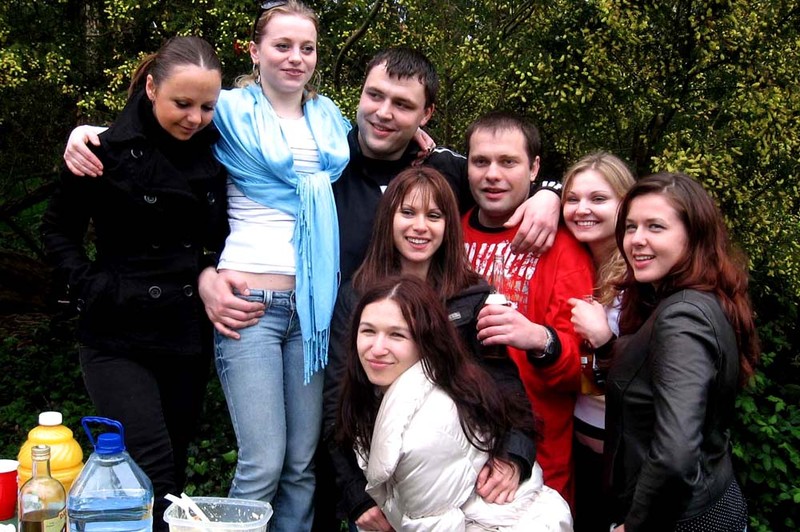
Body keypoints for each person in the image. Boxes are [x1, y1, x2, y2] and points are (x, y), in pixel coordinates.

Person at [41, 36, 227, 531]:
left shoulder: (221, 150)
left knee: (173, 464)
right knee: (152, 465)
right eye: (182, 104)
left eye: (207, 106)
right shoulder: (102, 150)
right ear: (150, 87)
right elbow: (57, 230)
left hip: (185, 334)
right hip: (116, 332)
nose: (195, 118)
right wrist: (89, 286)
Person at [324, 166, 537, 530]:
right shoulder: (357, 297)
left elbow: (507, 391)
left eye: (434, 216)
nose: (420, 226)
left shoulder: (473, 297)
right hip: (380, 479)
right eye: (408, 212)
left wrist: (514, 457)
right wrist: (356, 497)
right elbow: (336, 402)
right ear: (388, 219)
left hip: (462, 477)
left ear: (448, 225)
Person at [337, 276, 573, 531]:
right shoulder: (406, 387)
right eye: (368, 331)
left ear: (425, 342)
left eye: (397, 335)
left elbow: (434, 526)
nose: (377, 348)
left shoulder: (425, 430)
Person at [605, 172, 758, 531]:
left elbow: (675, 455)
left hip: (685, 521)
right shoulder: (699, 300)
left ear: (694, 235)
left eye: (655, 227)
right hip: (712, 503)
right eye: (630, 227)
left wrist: (636, 525)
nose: (637, 240)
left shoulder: (682, 317)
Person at [461, 111, 595, 510]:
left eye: (508, 162)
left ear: (534, 168)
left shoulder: (564, 248)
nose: (492, 175)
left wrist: (541, 339)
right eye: (481, 161)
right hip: (456, 458)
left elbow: (586, 370)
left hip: (538, 465)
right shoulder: (446, 234)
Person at [560, 152, 635, 532]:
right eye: (572, 199)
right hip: (579, 446)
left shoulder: (640, 275)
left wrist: (604, 338)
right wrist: (547, 196)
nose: (582, 209)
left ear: (625, 205)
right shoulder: (573, 262)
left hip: (629, 458)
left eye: (598, 199)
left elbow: (657, 379)